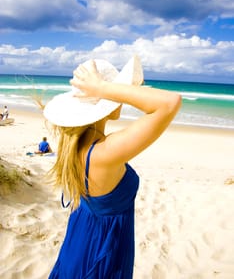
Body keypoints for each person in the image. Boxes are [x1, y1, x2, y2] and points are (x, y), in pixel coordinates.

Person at [43, 56, 181, 279]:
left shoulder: (77, 146)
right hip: (102, 247)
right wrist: (103, 88)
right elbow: (169, 103)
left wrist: (107, 90)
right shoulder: (103, 152)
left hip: (81, 236)